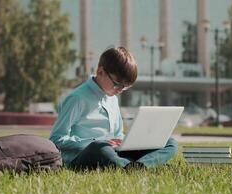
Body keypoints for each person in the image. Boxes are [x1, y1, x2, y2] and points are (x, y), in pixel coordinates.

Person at [49, 47, 178, 170]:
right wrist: (99, 142)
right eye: (117, 85)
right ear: (101, 72)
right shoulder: (77, 98)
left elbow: (117, 134)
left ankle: (139, 166)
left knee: (169, 141)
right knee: (100, 147)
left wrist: (130, 141)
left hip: (114, 153)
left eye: (125, 87)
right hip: (85, 155)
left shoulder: (113, 99)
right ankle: (134, 165)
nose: (120, 90)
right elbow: (56, 140)